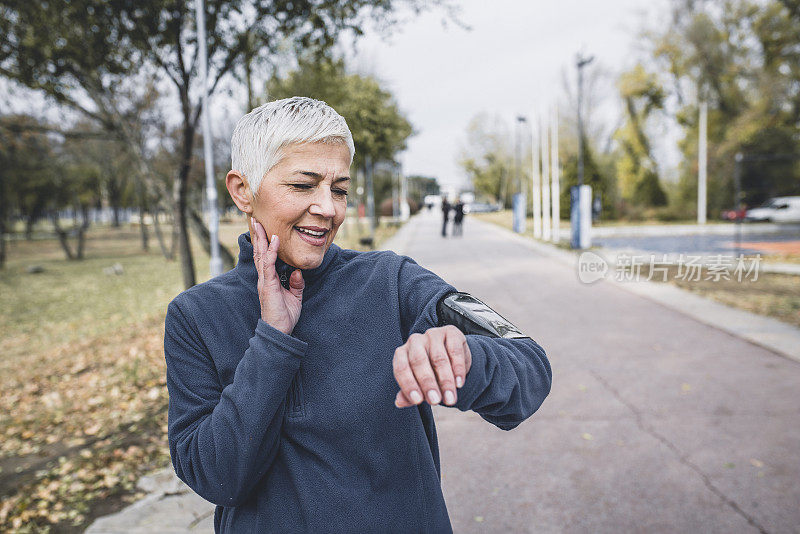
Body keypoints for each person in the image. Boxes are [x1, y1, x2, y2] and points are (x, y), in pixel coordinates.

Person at [164, 97, 551, 533]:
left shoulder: (392, 282)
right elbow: (215, 475)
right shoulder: (195, 316)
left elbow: (529, 364)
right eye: (303, 185)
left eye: (340, 189)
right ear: (242, 190)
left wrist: (465, 359)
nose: (328, 208)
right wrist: (272, 337)